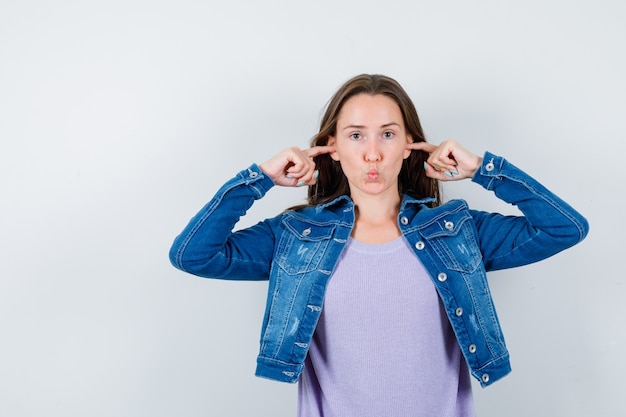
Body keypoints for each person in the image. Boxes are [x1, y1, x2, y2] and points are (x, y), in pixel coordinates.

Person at [169, 74, 589, 416]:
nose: (372, 153)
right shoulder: (296, 237)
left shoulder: (456, 233)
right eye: (355, 136)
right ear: (330, 148)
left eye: (387, 134)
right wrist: (258, 178)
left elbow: (565, 228)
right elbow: (193, 254)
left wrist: (483, 170)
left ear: (409, 145)